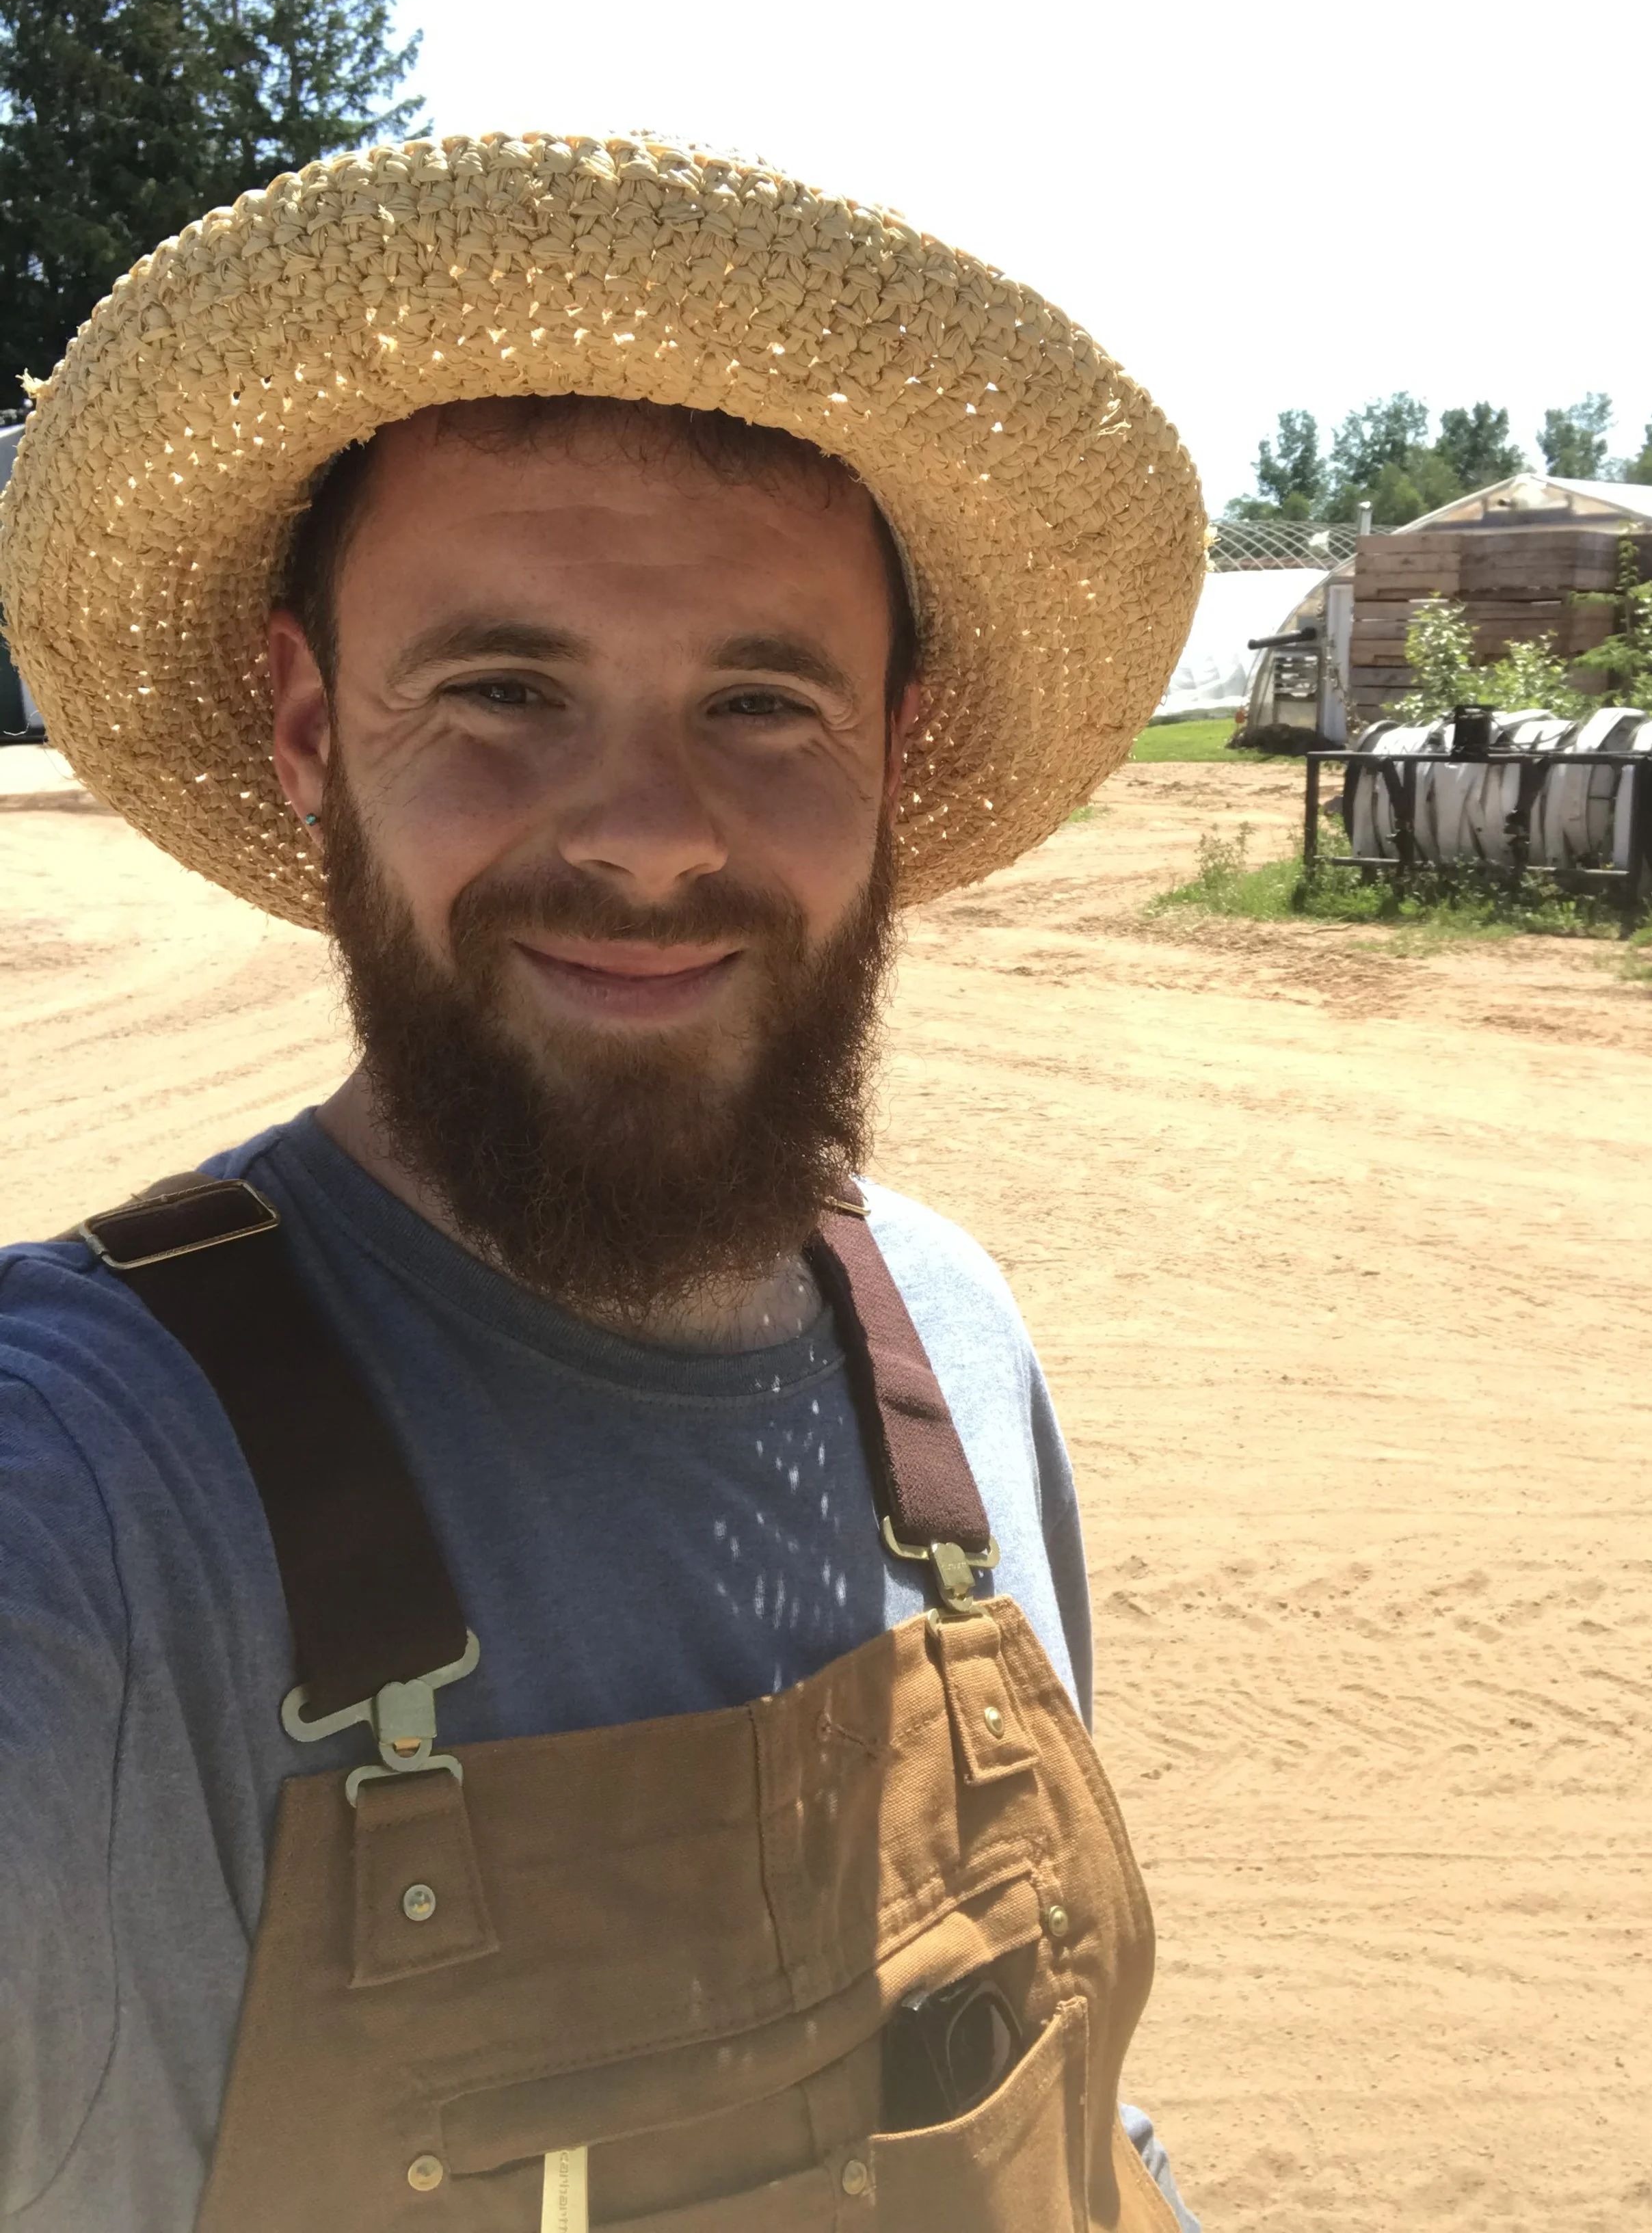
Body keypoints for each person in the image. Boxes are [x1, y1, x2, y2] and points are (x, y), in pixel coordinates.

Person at [0, 132, 1204, 2232]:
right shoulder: (91, 1499)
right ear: (306, 726)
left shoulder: (956, 1351)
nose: (647, 832)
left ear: (891, 751)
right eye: (501, 689)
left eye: (760, 700)